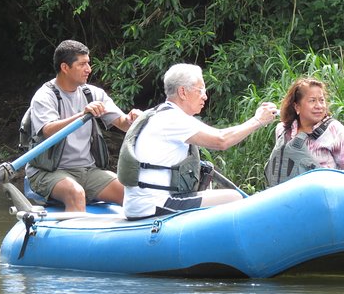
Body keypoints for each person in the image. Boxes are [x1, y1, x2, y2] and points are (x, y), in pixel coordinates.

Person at [118, 63, 278, 220]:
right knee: (233, 198)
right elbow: (221, 140)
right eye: (200, 90)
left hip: (142, 203)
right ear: (182, 92)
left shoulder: (158, 113)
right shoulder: (172, 118)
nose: (205, 96)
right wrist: (258, 120)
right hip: (152, 204)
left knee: (215, 194)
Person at [26, 40, 141, 212]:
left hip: (87, 170)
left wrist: (133, 119)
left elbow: (123, 124)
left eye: (88, 63)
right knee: (75, 193)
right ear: (65, 67)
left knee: (130, 193)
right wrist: (82, 115)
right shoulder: (45, 95)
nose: (89, 69)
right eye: (82, 64)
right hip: (48, 172)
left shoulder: (93, 93)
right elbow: (48, 131)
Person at [265, 77, 344, 186]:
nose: (319, 106)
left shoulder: (335, 130)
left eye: (321, 100)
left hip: (323, 198)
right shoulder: (283, 130)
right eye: (312, 100)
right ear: (297, 106)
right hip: (286, 197)